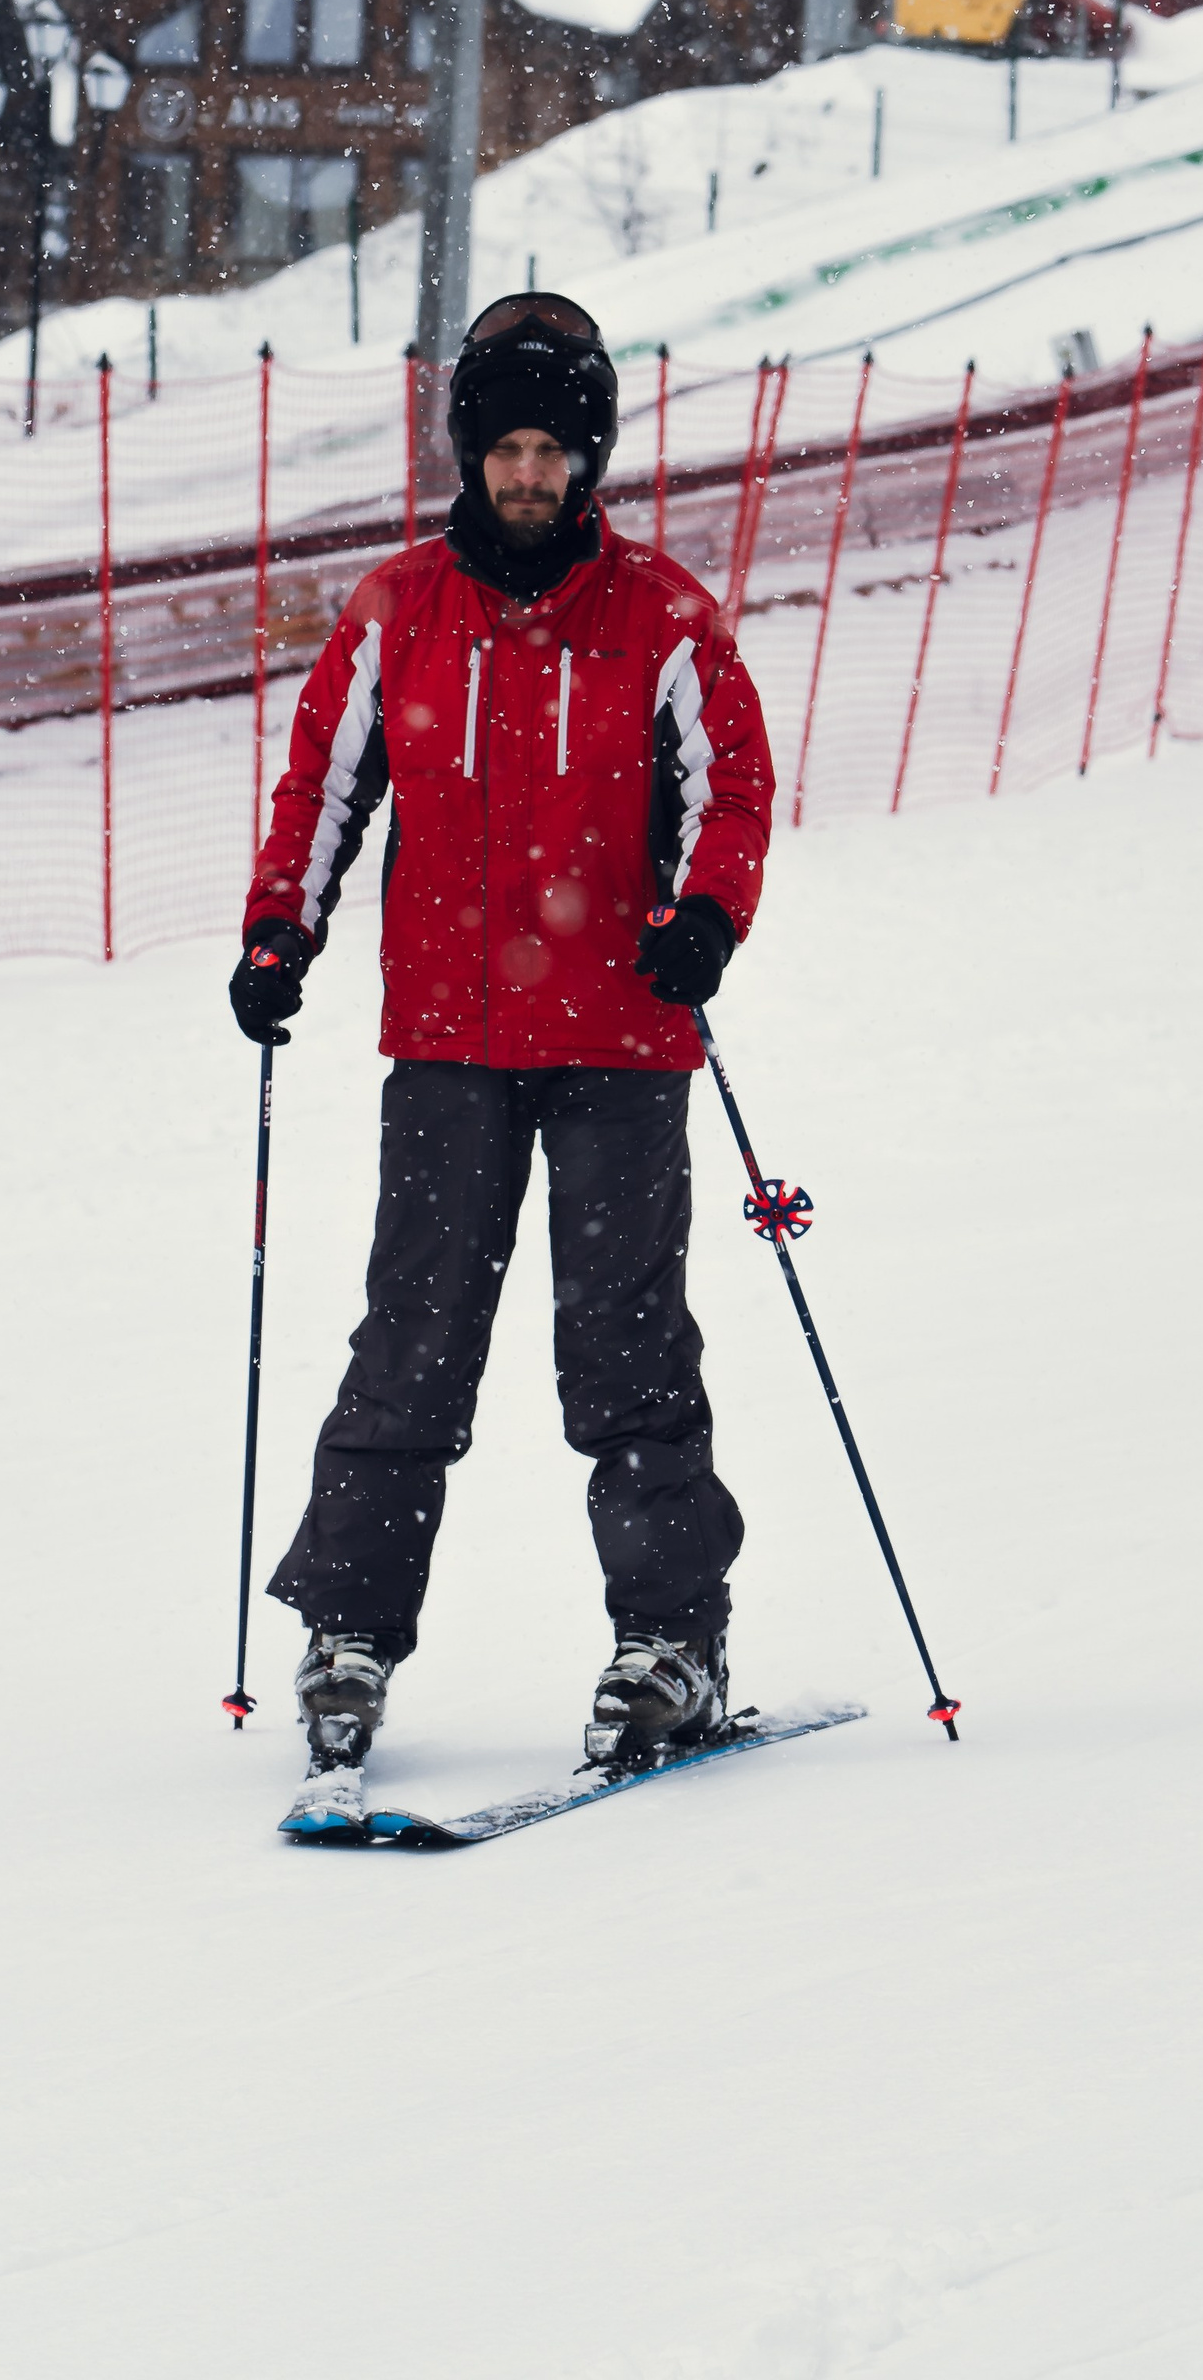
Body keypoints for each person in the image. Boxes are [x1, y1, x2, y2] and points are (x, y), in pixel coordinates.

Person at [228, 292, 776, 1781]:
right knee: (411, 1340)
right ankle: (348, 1632)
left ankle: (671, 1639)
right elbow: (324, 785)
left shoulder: (661, 615)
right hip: (450, 1044)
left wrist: (706, 915)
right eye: (506, 449)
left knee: (628, 1349)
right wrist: (280, 928)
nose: (529, 475)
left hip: (620, 1037)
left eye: (553, 451)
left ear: (587, 458)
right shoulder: (398, 611)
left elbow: (732, 786)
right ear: (470, 455)